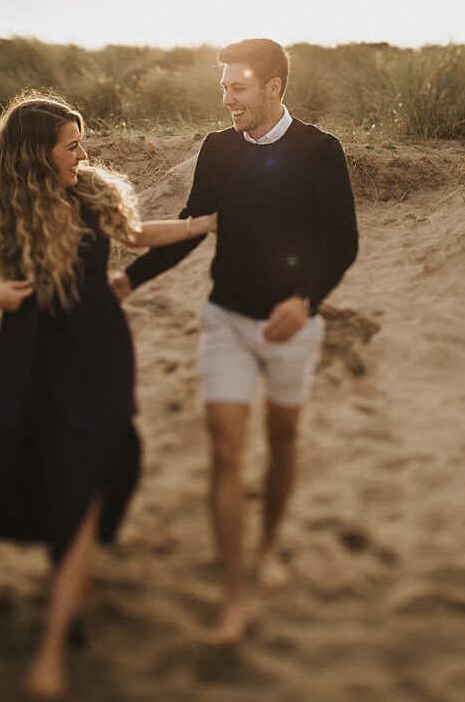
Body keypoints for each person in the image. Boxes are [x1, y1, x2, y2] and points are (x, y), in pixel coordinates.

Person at [0, 90, 216, 699]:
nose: (82, 153)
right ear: (37, 153)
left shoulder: (93, 195)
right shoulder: (0, 217)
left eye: (81, 142)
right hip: (33, 360)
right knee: (55, 472)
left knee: (87, 475)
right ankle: (67, 581)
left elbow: (138, 233)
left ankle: (52, 647)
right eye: (71, 146)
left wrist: (202, 223)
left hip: (100, 354)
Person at [110, 39, 358, 644]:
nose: (227, 99)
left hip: (292, 326)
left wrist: (306, 304)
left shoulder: (321, 152)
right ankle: (233, 597)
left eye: (238, 88)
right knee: (224, 451)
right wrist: (129, 280)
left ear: (275, 87)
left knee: (281, 440)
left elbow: (341, 242)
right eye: (223, 87)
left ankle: (268, 547)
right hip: (226, 318)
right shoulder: (217, 150)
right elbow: (196, 227)